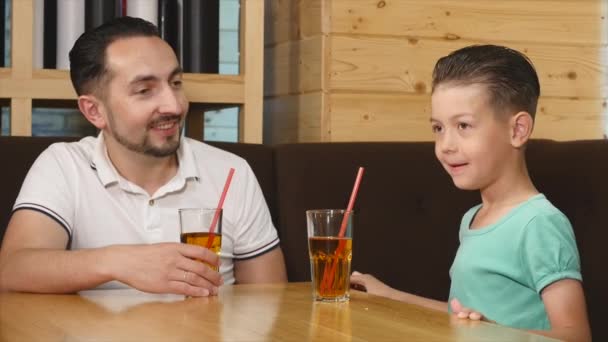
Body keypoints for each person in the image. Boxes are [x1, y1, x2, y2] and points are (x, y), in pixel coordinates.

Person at [0, 17, 287, 297]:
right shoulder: (63, 165)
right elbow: (11, 271)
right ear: (94, 112)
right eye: (144, 90)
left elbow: (270, 302)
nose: (174, 105)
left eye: (175, 83)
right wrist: (121, 263)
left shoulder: (231, 172)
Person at [351, 45, 591, 341]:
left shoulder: (539, 223)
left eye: (463, 125)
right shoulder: (473, 219)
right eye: (438, 128)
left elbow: (576, 335)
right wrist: (389, 295)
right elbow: (462, 318)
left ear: (517, 130)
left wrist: (496, 333)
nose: (446, 145)